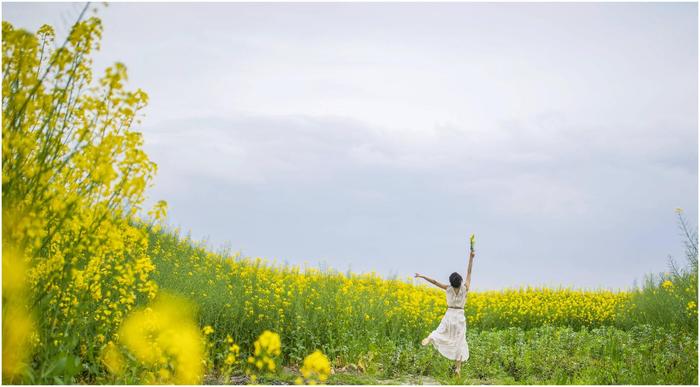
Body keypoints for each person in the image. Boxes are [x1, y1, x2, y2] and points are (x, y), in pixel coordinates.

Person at [414, 248, 476, 375]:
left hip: (449, 315)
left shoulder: (448, 288)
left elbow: (435, 282)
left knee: (440, 331)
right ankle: (458, 368)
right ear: (460, 282)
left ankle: (430, 338)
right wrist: (471, 257)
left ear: (451, 283)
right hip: (459, 317)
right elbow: (469, 272)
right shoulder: (465, 288)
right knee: (459, 341)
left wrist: (422, 276)